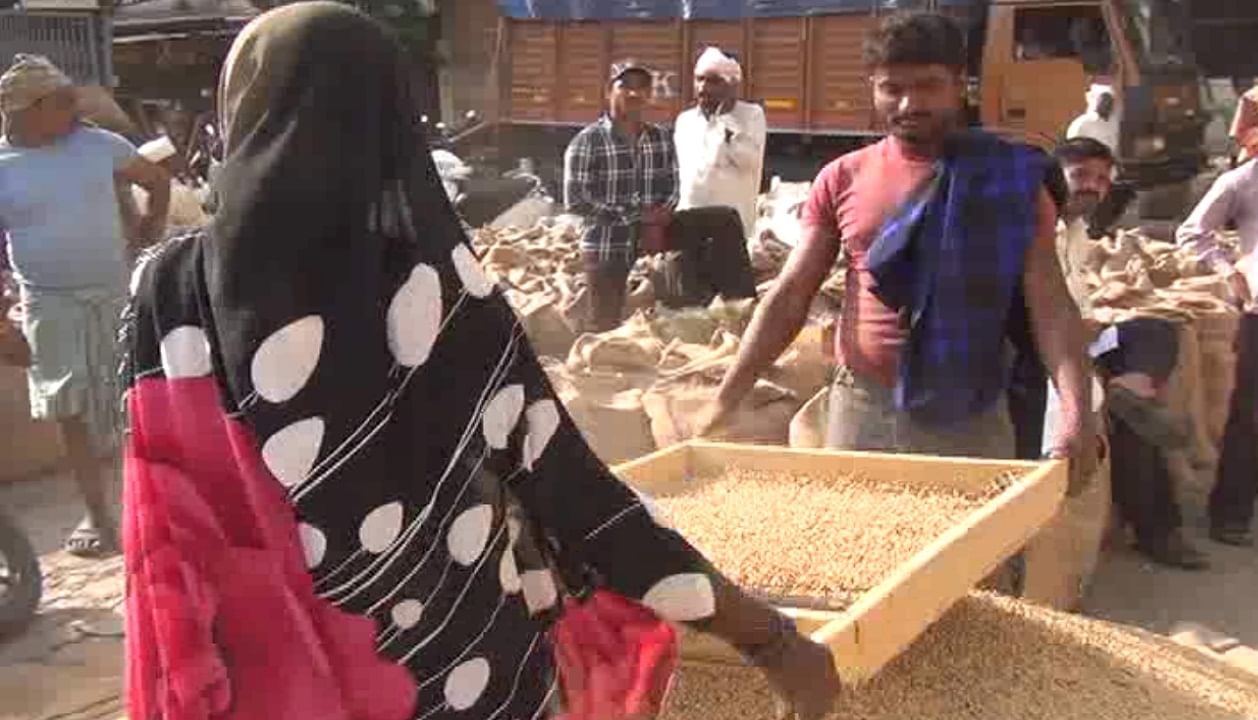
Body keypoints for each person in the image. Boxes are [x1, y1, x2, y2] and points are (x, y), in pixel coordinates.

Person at [120, 5, 839, 719]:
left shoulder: (165, 289)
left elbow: (163, 519)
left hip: (259, 685)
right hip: (446, 675)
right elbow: (573, 494)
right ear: (388, 119)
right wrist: (769, 639)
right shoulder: (430, 289)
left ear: (239, 108)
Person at [700, 12, 1091, 471]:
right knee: (857, 539)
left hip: (970, 412)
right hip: (863, 407)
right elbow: (790, 296)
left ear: (959, 85)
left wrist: (1076, 414)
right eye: (892, 88)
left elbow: (1050, 304)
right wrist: (725, 401)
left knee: (976, 542)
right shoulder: (842, 178)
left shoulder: (1009, 178)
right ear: (873, 86)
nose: (908, 104)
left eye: (927, 86)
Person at [0, 54, 170, 557]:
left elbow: (157, 182)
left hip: (115, 295)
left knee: (133, 401)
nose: (74, 107)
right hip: (48, 305)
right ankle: (99, 517)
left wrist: (148, 233)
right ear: (29, 109)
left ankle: (152, 512)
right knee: (69, 411)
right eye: (61, 101)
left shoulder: (99, 146)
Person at [1055, 137, 1205, 569]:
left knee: (1156, 328)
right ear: (1054, 175)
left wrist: (1095, 321)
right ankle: (1158, 531)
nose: (1092, 186)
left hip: (1083, 335)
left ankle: (1131, 387)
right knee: (1129, 426)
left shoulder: (1078, 231)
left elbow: (1077, 299)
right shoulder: (1037, 226)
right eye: (1081, 174)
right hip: (1049, 349)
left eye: (1102, 179)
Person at [1176, 76, 1258, 548]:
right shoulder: (1251, 176)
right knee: (1248, 416)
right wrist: (1228, 270)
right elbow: (1192, 232)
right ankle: (1232, 513)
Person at [563, 62, 677, 331]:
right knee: (604, 323)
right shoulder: (587, 141)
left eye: (642, 88)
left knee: (657, 322)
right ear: (608, 92)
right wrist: (638, 215)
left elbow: (673, 186)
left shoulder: (660, 138)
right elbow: (576, 200)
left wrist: (657, 221)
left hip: (651, 245)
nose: (635, 94)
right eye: (625, 86)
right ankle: (595, 370)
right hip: (606, 246)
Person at [674, 47, 766, 241]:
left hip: (730, 230)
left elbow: (749, 162)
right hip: (688, 224)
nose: (703, 87)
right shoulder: (686, 120)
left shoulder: (751, 116)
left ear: (732, 85)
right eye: (699, 79)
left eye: (713, 81)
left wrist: (726, 120)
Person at [1066, 83, 1120, 155]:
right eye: (1104, 100)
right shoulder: (1082, 123)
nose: (1106, 103)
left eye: (1109, 100)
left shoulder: (1114, 123)